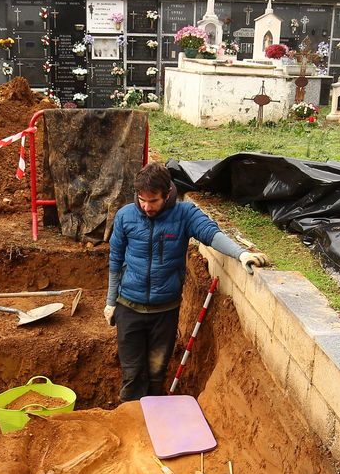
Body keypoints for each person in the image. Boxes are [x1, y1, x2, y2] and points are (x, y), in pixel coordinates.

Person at [104, 162, 268, 401]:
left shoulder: (184, 215)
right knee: (132, 374)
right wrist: (111, 302)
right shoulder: (125, 216)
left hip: (165, 311)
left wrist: (240, 253)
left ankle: (153, 423)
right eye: (142, 200)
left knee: (156, 372)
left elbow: (211, 234)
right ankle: (132, 419)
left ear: (168, 193)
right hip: (129, 308)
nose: (147, 207)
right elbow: (115, 260)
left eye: (154, 201)